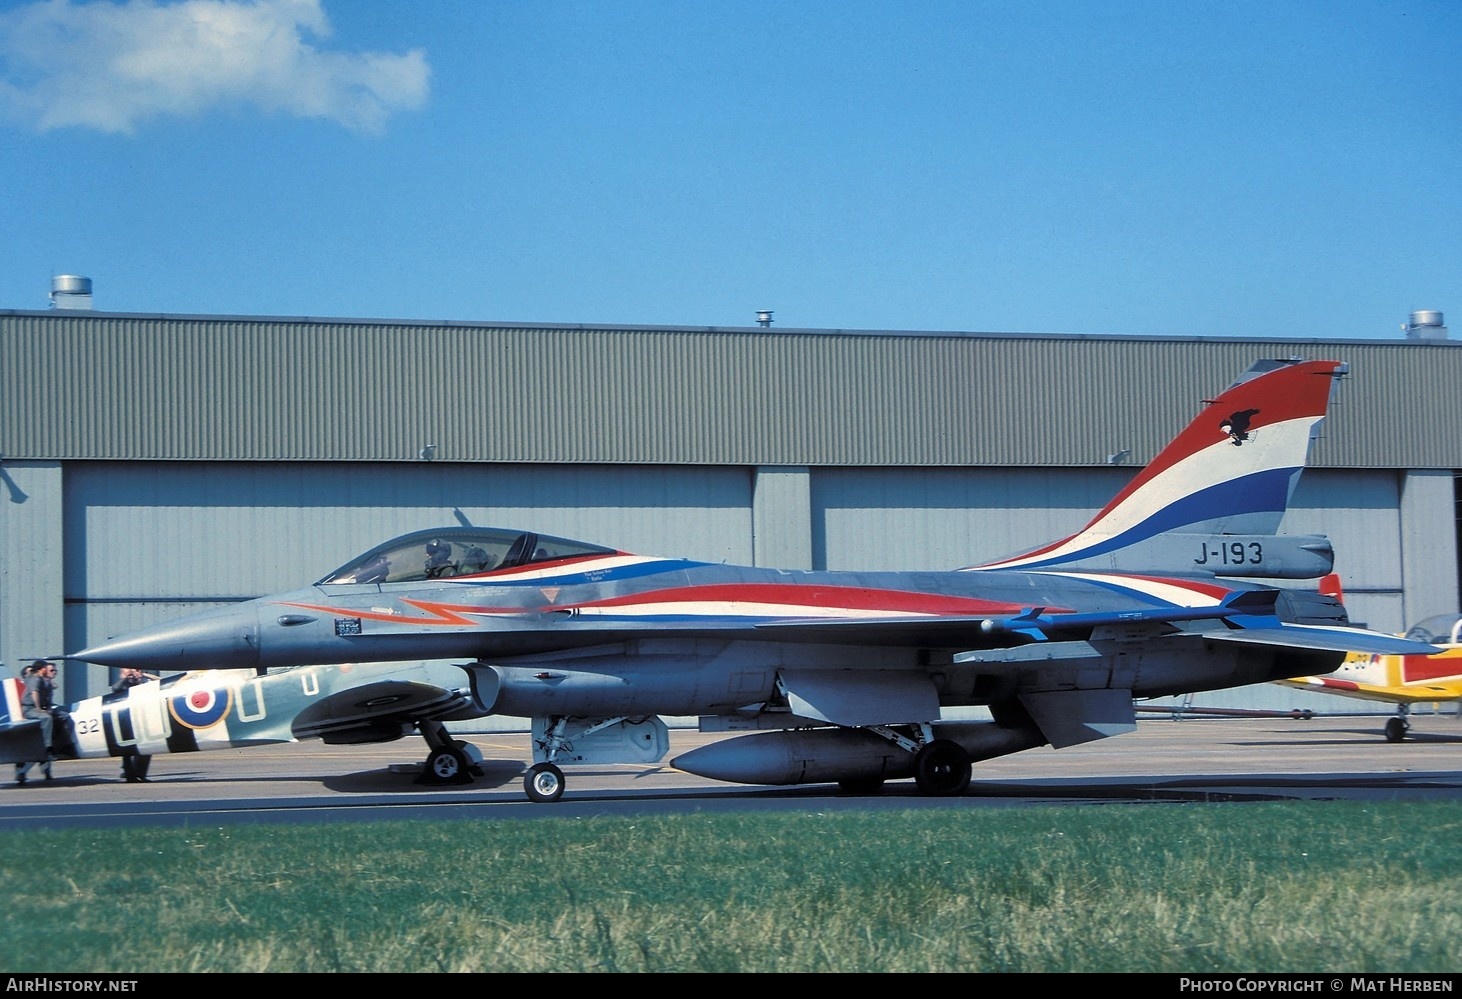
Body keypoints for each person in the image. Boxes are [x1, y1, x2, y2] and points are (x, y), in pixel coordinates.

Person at [112, 667, 159, 783]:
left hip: (141, 721)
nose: (133, 673)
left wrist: (144, 675)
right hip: (127, 721)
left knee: (146, 749)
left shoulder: (143, 684)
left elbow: (160, 681)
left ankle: (140, 774)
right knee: (127, 751)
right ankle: (129, 775)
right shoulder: (123, 686)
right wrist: (126, 678)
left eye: (136, 670)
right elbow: (115, 689)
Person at [15, 660, 59, 785]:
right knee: (46, 720)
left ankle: (46, 771)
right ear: (42, 669)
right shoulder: (34, 679)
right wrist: (39, 709)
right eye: (50, 669)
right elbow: (35, 693)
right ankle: (47, 746)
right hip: (30, 710)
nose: (53, 672)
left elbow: (52, 690)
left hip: (37, 710)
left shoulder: (45, 682)